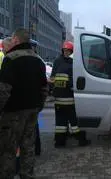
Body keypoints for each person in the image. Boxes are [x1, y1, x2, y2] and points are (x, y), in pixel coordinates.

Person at [0, 28, 48, 178]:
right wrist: (38, 106)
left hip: (12, 112)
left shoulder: (11, 59)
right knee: (28, 148)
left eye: (12, 38)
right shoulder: (38, 60)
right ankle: (27, 175)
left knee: (8, 150)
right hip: (32, 112)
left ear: (16, 40)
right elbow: (44, 88)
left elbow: (4, 90)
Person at [51, 41, 90, 148]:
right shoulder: (72, 63)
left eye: (68, 50)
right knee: (72, 120)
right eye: (65, 50)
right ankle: (80, 140)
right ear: (63, 50)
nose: (66, 52)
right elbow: (73, 81)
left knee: (60, 121)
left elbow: (53, 78)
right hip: (68, 97)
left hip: (58, 97)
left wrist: (53, 91)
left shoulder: (57, 61)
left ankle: (59, 141)